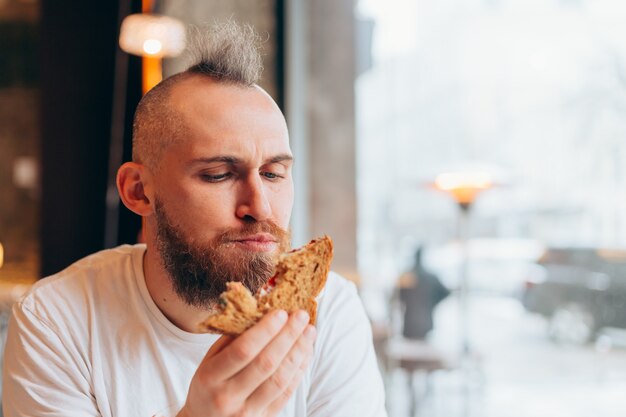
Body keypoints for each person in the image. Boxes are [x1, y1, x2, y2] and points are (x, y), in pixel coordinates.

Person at [2, 22, 386, 417]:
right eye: (218, 174)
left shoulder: (328, 312)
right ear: (138, 191)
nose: (260, 207)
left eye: (273, 174)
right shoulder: (55, 321)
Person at [398, 246, 449, 340]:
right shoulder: (428, 277)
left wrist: (433, 302)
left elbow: (399, 297)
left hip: (411, 323)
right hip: (423, 322)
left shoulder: (408, 276)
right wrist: (432, 303)